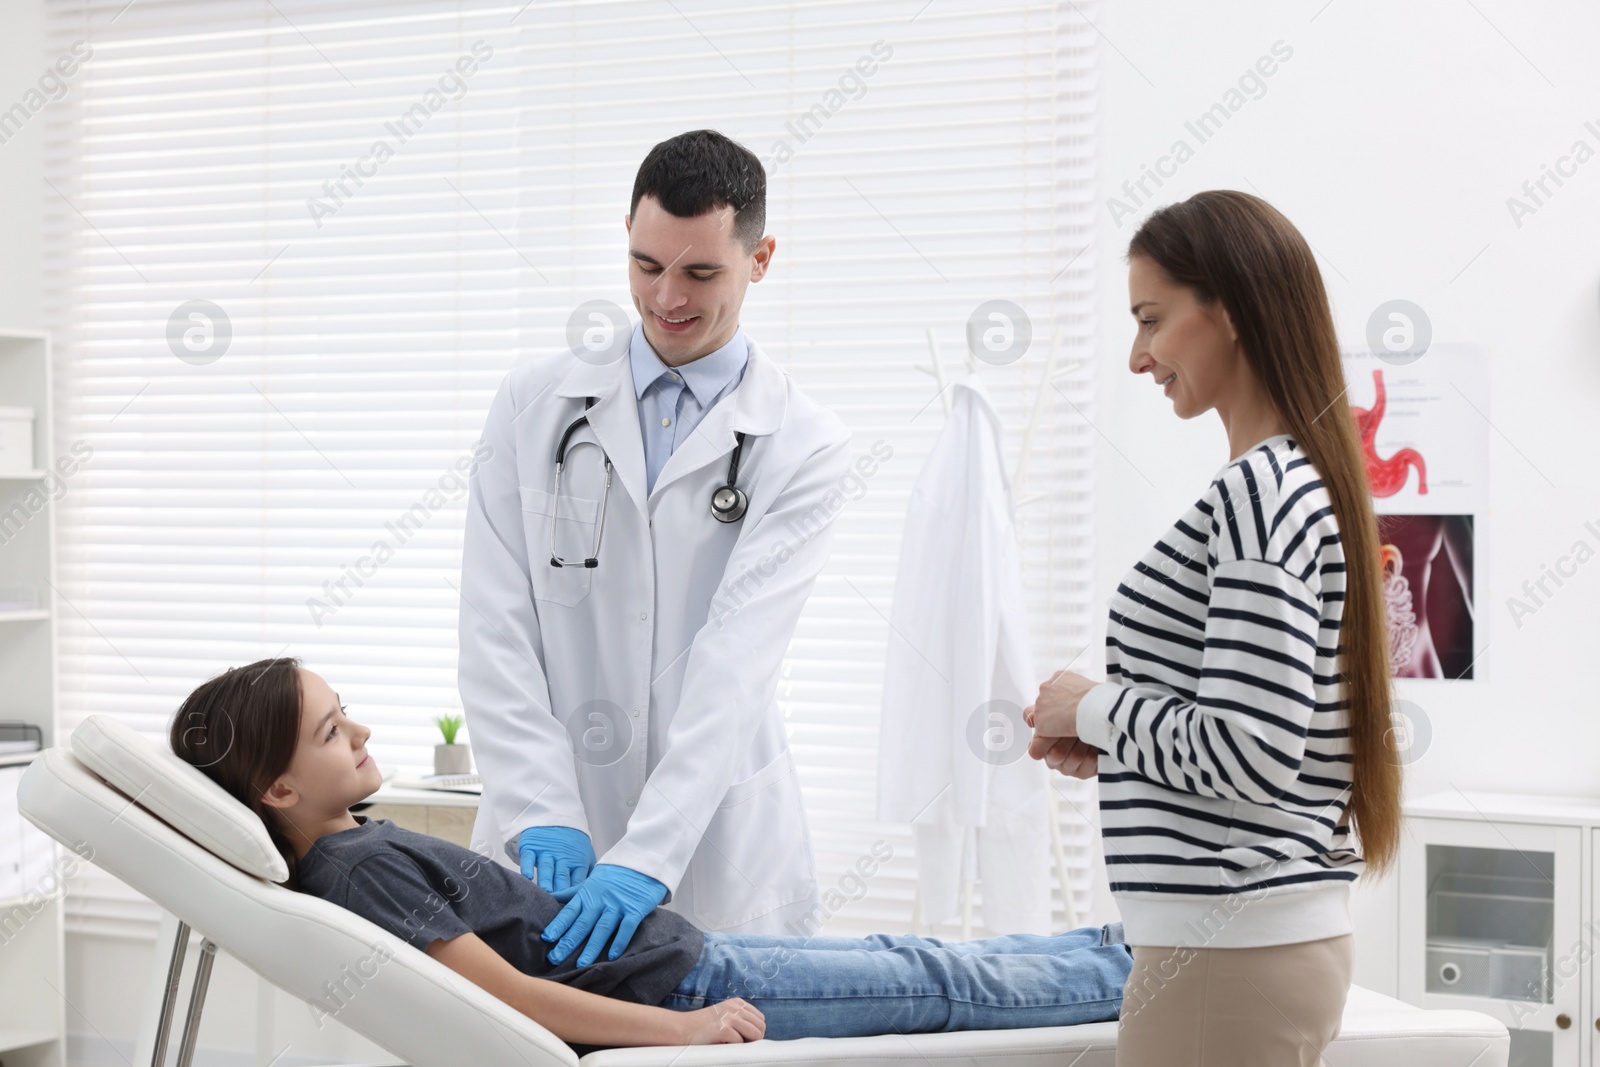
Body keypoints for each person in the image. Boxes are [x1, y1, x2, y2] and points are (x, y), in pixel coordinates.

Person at [168, 659, 1135, 1051]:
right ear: (279, 790)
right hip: (674, 988)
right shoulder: (356, 871)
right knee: (928, 981)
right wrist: (684, 1031)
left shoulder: (352, 845)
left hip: (677, 960)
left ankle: (1117, 954)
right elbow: (504, 996)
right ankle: (1136, 973)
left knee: (918, 961)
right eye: (335, 730)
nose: (361, 728)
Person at [457, 128, 853, 970]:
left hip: (715, 848)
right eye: (646, 265)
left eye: (701, 273)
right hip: (544, 835)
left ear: (762, 256)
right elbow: (495, 625)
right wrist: (539, 804)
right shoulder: (534, 405)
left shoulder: (803, 443)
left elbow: (735, 664)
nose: (667, 295)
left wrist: (648, 856)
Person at [1022, 190, 1403, 1067]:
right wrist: (1123, 741)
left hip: (1226, 958)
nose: (1137, 356)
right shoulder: (1299, 481)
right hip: (1245, 949)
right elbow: (1268, 732)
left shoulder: (1261, 494)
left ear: (1224, 309)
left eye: (1151, 319)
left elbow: (1252, 749)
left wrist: (1092, 709)